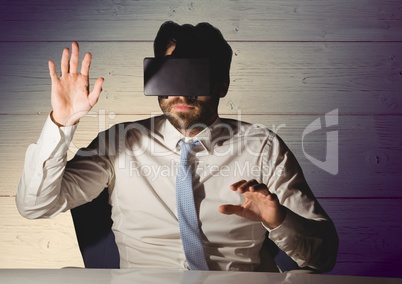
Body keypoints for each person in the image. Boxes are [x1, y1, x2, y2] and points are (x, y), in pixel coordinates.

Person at [16, 21, 338, 272]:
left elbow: (324, 256)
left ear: (221, 84)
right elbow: (34, 205)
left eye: (196, 75)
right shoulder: (120, 144)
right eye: (172, 75)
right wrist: (60, 125)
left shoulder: (262, 148)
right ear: (156, 79)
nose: (182, 93)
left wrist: (277, 218)